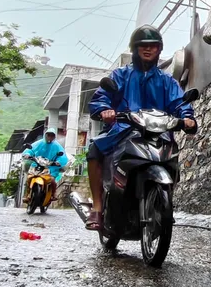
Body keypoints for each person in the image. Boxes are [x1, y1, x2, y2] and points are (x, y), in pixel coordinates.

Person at [84, 25, 197, 231]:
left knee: (172, 158)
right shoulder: (120, 75)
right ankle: (98, 208)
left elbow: (179, 102)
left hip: (158, 131)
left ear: (159, 50)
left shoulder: (166, 81)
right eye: (143, 45)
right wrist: (105, 110)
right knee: (95, 150)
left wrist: (187, 117)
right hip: (122, 130)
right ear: (135, 49)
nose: (148, 49)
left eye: (153, 46)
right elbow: (102, 97)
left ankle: (164, 204)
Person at [22, 128, 69, 198]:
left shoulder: (57, 146)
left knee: (52, 180)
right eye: (48, 135)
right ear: (45, 135)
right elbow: (30, 150)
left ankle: (53, 194)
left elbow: (62, 156)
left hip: (50, 167)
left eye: (52, 136)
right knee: (29, 178)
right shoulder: (38, 143)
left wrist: (58, 162)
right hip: (37, 165)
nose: (50, 137)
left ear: (54, 137)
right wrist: (27, 154)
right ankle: (27, 194)